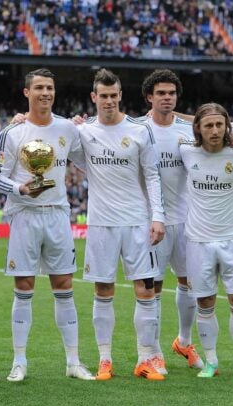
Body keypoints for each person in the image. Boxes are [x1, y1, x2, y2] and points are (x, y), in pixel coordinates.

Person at [0, 68, 93, 382]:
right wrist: (19, 189)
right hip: (24, 216)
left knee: (64, 287)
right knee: (24, 288)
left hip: (58, 215)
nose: (45, 93)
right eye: (39, 88)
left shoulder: (67, 128)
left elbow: (88, 161)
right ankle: (19, 361)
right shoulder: (12, 133)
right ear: (27, 93)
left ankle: (73, 362)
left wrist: (88, 128)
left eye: (50, 87)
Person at [78, 69, 166, 381]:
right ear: (94, 98)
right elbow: (65, 150)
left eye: (114, 95)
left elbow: (153, 175)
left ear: (120, 96)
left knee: (145, 290)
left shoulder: (140, 131)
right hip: (102, 222)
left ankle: (145, 359)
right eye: (103, 96)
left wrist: (158, 217)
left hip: (136, 221)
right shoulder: (84, 133)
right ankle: (105, 360)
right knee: (104, 289)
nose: (109, 101)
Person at [179, 103, 233, 380]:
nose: (214, 130)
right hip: (198, 241)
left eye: (219, 125)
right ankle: (211, 361)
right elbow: (161, 121)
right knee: (205, 302)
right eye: (208, 125)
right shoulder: (186, 150)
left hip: (232, 238)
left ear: (227, 127)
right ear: (198, 127)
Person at [140, 69, 203, 374]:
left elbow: (224, 122)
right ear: (149, 97)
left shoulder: (191, 130)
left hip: (186, 219)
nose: (166, 98)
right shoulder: (138, 128)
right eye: (161, 93)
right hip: (152, 221)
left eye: (171, 93)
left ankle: (184, 341)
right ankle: (154, 352)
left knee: (190, 283)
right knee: (152, 287)